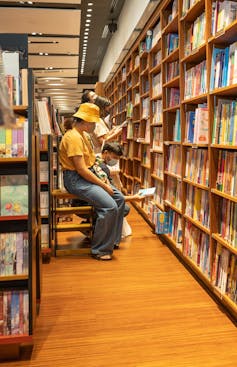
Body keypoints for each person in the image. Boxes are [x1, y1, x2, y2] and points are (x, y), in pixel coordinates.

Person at [59, 102, 125, 261]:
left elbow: (89, 164)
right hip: (76, 179)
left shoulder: (83, 135)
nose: (95, 125)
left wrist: (105, 182)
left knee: (120, 199)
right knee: (109, 207)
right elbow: (81, 169)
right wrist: (104, 185)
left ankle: (112, 241)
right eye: (93, 122)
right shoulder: (73, 137)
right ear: (85, 121)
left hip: (87, 175)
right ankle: (100, 249)